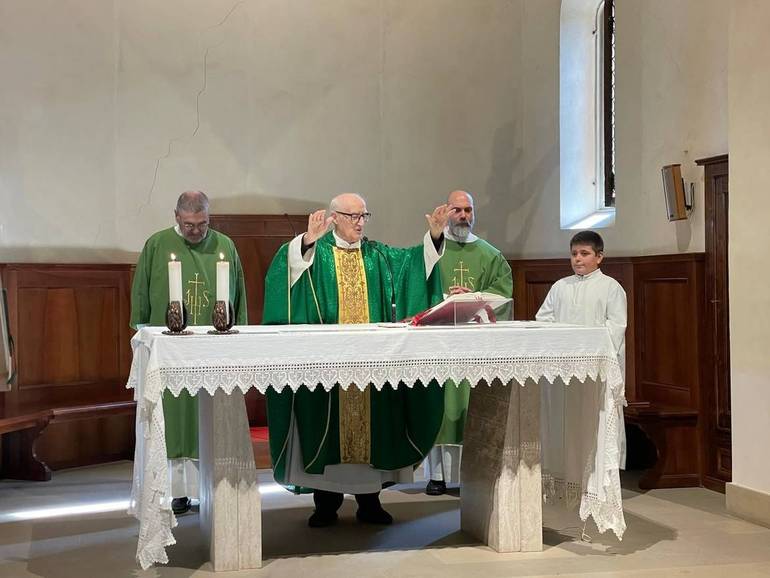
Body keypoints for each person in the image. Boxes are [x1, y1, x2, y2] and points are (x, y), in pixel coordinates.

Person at [262, 192, 450, 527]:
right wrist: (305, 241)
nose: (361, 223)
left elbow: (412, 265)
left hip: (371, 368)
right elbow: (286, 269)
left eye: (364, 216)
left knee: (374, 432)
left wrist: (434, 236)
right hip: (327, 369)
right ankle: (325, 502)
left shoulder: (377, 255)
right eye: (353, 216)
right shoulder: (314, 252)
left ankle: (369, 501)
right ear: (334, 217)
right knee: (325, 429)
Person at [130, 190, 247, 515]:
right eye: (188, 224)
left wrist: (243, 334)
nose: (195, 231)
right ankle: (178, 492)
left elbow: (238, 292)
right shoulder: (157, 244)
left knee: (208, 416)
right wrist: (142, 333)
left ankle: (212, 487)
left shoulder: (225, 246)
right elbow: (141, 292)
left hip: (214, 351)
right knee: (176, 419)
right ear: (176, 217)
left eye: (202, 224)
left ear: (210, 217)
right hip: (170, 352)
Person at [423, 190, 513, 496]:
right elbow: (417, 288)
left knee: (468, 408)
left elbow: (502, 295)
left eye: (468, 210)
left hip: (473, 346)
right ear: (446, 213)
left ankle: (468, 476)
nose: (464, 216)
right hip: (438, 343)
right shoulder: (431, 250)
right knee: (440, 409)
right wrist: (446, 300)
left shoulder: (490, 255)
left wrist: (472, 298)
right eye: (457, 210)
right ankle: (436, 476)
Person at [535, 229, 627, 467]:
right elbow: (544, 320)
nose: (578, 258)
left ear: (599, 257)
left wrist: (586, 349)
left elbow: (615, 327)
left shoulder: (611, 287)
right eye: (574, 253)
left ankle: (599, 472)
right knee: (564, 418)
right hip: (563, 367)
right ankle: (563, 468)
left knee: (593, 419)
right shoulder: (560, 287)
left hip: (596, 367)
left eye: (584, 253)